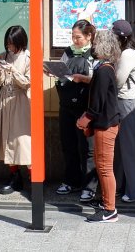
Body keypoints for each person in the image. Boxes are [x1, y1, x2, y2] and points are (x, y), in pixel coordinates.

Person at [51, 19, 99, 202]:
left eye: (78, 37)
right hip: (66, 105)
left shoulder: (95, 52)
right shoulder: (68, 52)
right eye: (72, 36)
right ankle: (71, 181)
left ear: (89, 36)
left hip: (85, 107)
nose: (75, 40)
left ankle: (89, 186)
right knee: (68, 144)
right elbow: (62, 72)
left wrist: (83, 78)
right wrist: (53, 72)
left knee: (87, 148)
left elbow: (100, 78)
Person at [76, 29, 121, 223]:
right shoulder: (107, 67)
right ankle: (106, 203)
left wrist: (85, 119)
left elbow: (97, 102)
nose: (93, 46)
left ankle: (110, 210)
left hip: (105, 125)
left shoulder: (103, 70)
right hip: (106, 123)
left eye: (95, 43)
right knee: (103, 166)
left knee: (104, 168)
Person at [0, 25, 31, 195]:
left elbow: (27, 83)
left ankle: (34, 179)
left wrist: (13, 69)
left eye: (12, 43)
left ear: (20, 41)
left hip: (20, 100)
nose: (9, 46)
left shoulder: (28, 58)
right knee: (5, 138)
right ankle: (14, 177)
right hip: (4, 99)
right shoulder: (3, 55)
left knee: (23, 141)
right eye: (7, 43)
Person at [111, 19, 135, 203]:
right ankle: (120, 186)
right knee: (121, 149)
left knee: (132, 150)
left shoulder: (128, 54)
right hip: (123, 103)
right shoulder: (121, 53)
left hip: (130, 104)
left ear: (120, 37)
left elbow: (118, 80)